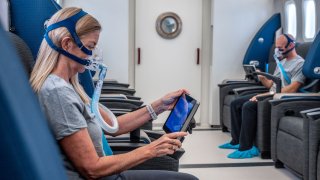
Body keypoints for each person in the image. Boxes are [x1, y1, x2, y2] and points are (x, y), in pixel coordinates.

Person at [30, 7, 198, 180]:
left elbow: (113, 126)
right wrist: (151, 149)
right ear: (66, 44)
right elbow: (91, 169)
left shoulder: (69, 85)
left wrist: (160, 105)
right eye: (90, 47)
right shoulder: (58, 92)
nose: (92, 56)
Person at [218, 34, 306, 159]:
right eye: (276, 48)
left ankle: (246, 148)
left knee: (248, 106)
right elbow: (270, 84)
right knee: (235, 103)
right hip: (271, 93)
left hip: (280, 97)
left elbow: (292, 89)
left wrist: (263, 95)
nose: (277, 51)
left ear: (291, 45)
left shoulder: (300, 64)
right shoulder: (282, 62)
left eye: (280, 48)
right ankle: (236, 141)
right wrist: (261, 76)